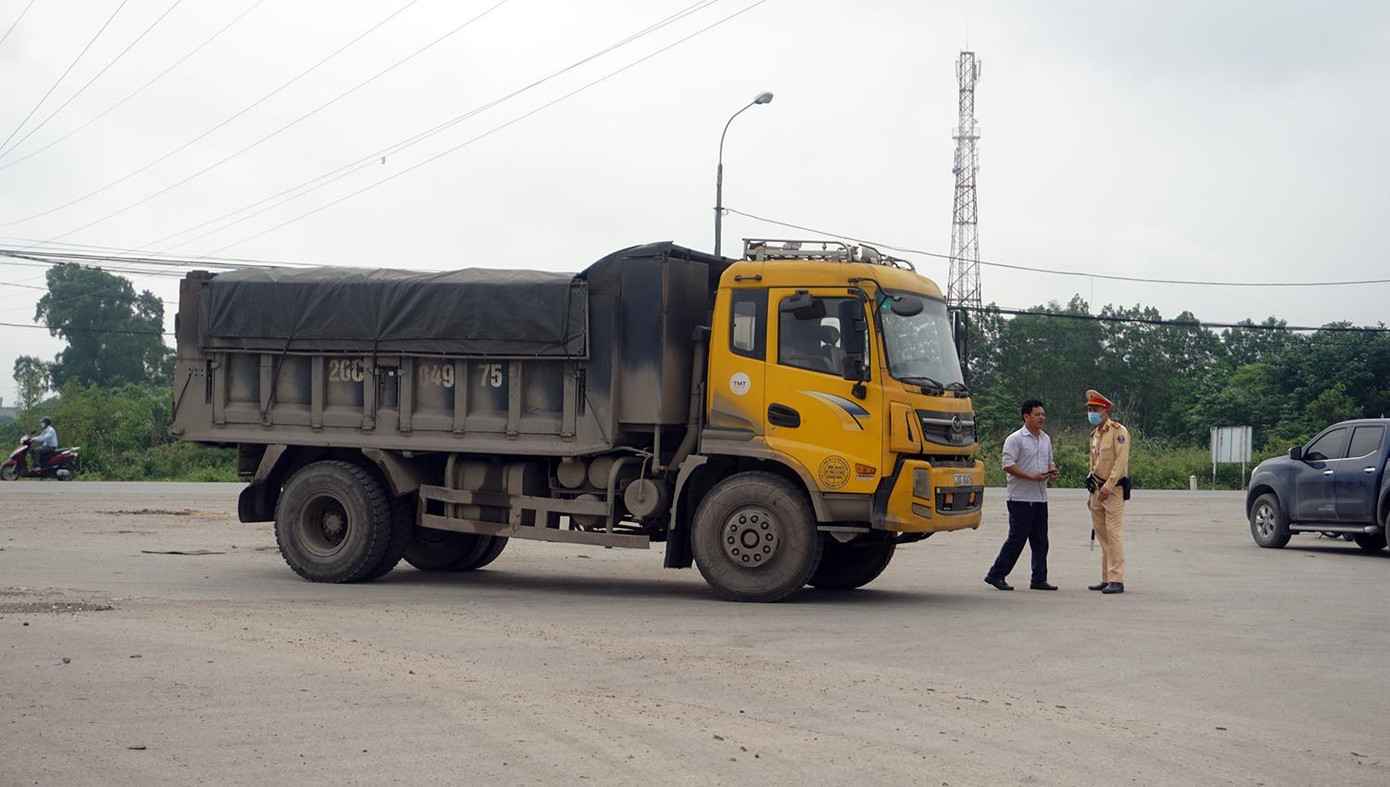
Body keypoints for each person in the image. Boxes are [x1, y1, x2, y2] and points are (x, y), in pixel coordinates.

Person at [984, 399, 1058, 591]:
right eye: (1037, 414)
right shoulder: (1015, 439)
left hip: (1040, 498)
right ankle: (996, 574)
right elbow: (1007, 465)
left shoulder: (1045, 438)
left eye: (1043, 414)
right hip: (1020, 499)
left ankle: (1039, 579)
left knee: (1041, 541)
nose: (1042, 417)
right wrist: (1031, 477)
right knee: (1017, 539)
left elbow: (1050, 461)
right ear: (1026, 416)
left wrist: (1052, 470)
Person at [1085, 390, 1131, 595]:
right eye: (1089, 409)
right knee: (1103, 537)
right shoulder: (1095, 435)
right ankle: (1106, 578)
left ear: (1105, 410)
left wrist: (1108, 487)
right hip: (1096, 491)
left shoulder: (1118, 432)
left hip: (1113, 491)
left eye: (1095, 409)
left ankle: (1117, 579)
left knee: (1113, 535)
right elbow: (1094, 465)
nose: (1092, 412)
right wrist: (1092, 493)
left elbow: (1120, 464)